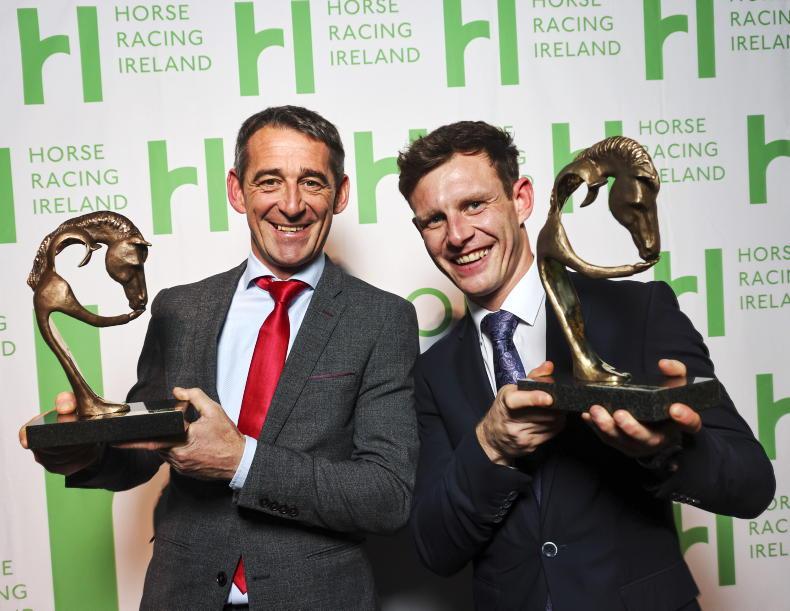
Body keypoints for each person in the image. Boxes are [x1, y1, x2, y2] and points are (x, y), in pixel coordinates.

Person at [20, 106, 419, 610]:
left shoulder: (381, 319)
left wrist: (241, 460)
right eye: (269, 181)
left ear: (340, 193)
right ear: (236, 190)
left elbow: (386, 495)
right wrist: (86, 452)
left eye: (312, 183)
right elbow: (143, 449)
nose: (290, 205)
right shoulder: (180, 309)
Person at [397, 121, 775, 611]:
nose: (457, 234)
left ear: (522, 199)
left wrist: (666, 451)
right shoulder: (432, 373)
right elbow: (435, 548)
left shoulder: (638, 313)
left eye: (474, 205)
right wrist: (491, 446)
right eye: (434, 219)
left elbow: (752, 487)